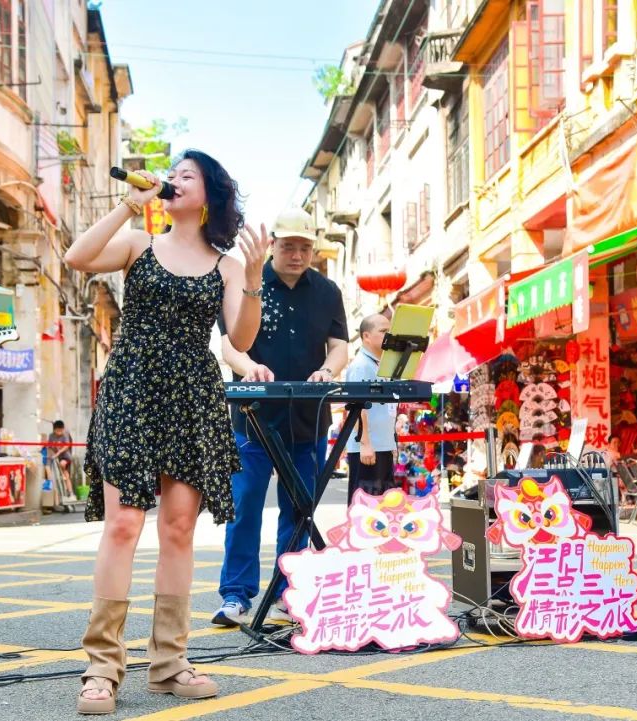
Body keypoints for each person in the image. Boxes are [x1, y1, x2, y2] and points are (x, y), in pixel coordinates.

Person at [64, 150, 268, 715]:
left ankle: (170, 663)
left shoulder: (228, 266)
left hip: (192, 396)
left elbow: (240, 341)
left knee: (178, 529)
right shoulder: (137, 244)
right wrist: (129, 205)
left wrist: (253, 279)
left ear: (209, 196)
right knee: (123, 523)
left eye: (186, 176)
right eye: (171, 174)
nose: (173, 180)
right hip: (131, 387)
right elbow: (77, 257)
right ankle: (102, 667)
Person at [212, 206, 348, 627]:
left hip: (308, 418)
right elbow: (228, 345)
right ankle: (236, 595)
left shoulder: (327, 290)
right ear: (273, 245)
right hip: (252, 418)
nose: (297, 255)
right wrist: (248, 366)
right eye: (288, 246)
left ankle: (286, 594)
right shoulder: (247, 283)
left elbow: (339, 345)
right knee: (244, 505)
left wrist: (327, 370)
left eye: (304, 247)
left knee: (299, 508)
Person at [344, 313, 397, 502]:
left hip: (381, 445)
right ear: (366, 336)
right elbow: (356, 407)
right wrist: (365, 444)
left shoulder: (379, 364)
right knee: (366, 506)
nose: (389, 335)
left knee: (381, 506)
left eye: (390, 331)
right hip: (369, 448)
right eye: (383, 331)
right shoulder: (361, 366)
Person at [47, 420, 75, 495]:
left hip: (65, 457)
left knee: (63, 467)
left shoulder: (65, 434)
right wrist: (51, 454)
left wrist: (58, 453)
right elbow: (49, 447)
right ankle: (66, 490)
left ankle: (70, 492)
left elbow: (67, 446)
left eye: (61, 430)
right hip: (56, 457)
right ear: (54, 430)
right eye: (58, 431)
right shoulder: (51, 436)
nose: (60, 432)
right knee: (62, 472)